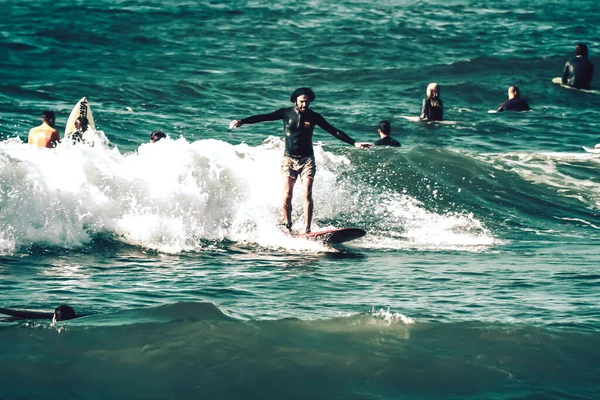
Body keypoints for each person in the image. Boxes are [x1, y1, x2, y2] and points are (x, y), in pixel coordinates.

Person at [229, 87, 371, 233]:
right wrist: (243, 121)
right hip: (289, 160)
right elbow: (263, 117)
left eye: (307, 102)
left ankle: (307, 229)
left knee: (307, 192)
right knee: (286, 195)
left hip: (307, 160)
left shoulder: (314, 116)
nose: (304, 104)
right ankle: (287, 225)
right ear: (295, 100)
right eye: (302, 101)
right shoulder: (285, 113)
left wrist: (354, 143)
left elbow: (333, 130)